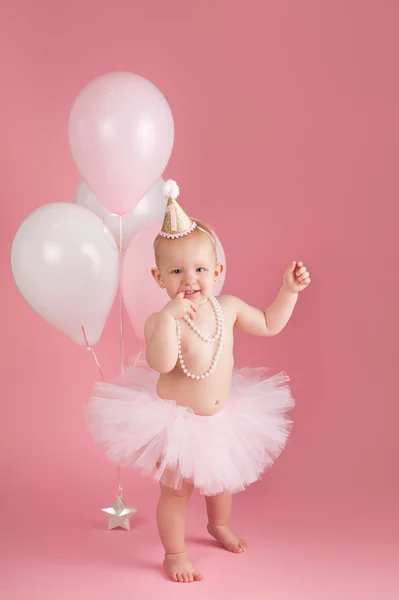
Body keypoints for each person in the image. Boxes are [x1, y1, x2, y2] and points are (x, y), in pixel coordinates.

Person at [85, 180, 311, 583]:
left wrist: (288, 291)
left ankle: (217, 524)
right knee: (176, 492)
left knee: (221, 478)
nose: (190, 279)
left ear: (218, 271)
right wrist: (169, 320)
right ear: (159, 278)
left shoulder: (230, 308)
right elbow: (162, 361)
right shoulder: (162, 320)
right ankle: (174, 553)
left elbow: (270, 323)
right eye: (176, 271)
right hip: (178, 422)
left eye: (200, 269)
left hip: (222, 418)